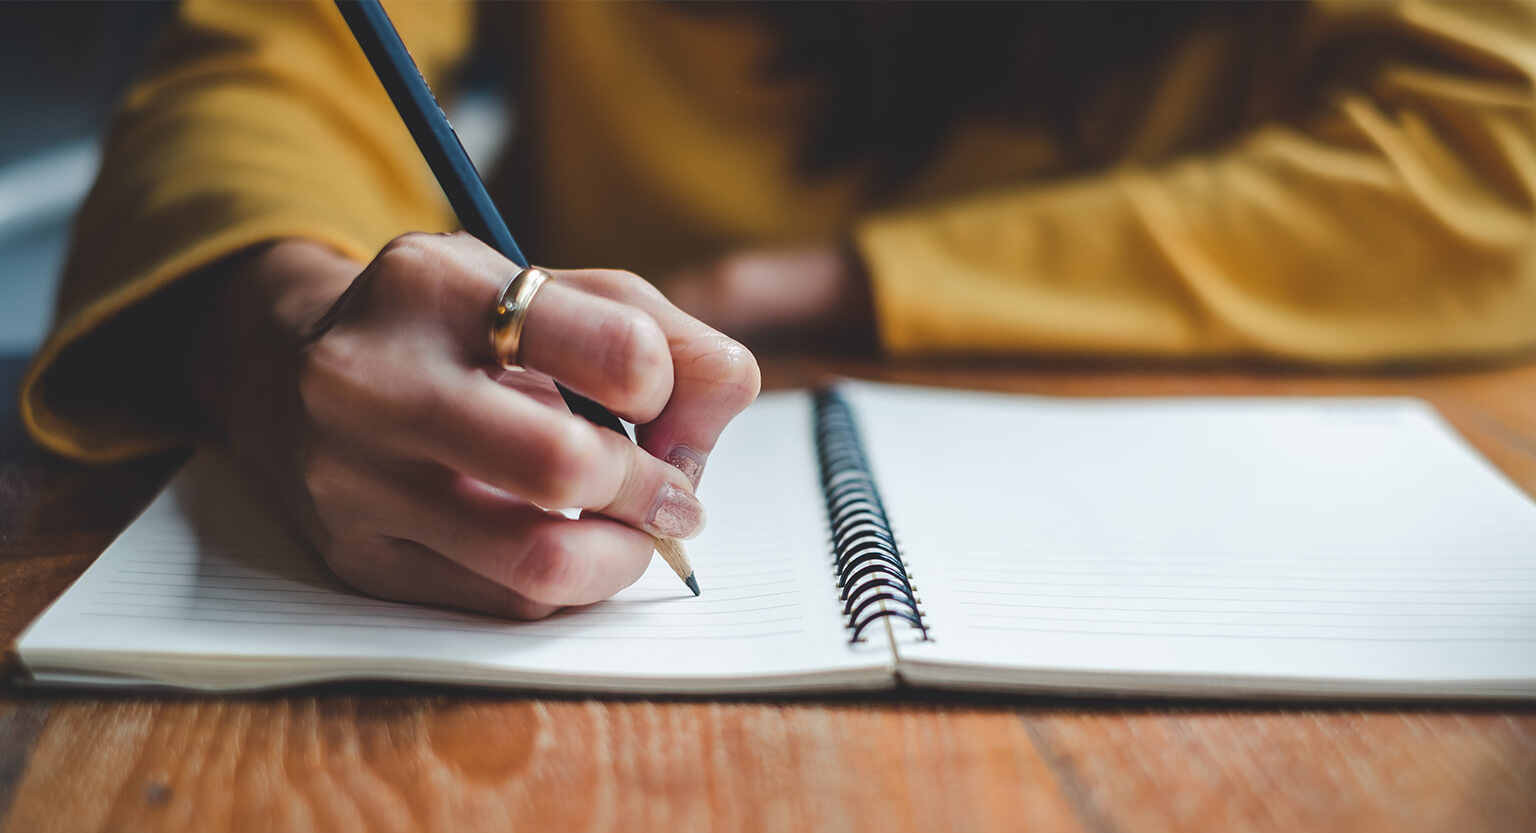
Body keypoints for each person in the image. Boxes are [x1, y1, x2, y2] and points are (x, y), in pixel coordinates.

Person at [21, 0, 1536, 618]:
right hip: (529, 457)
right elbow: (272, 70)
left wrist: (816, 282)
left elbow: (1501, 153)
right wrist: (286, 324)